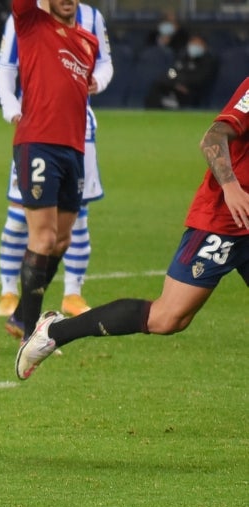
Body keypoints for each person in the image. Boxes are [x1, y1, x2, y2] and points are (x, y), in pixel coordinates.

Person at [16, 77, 249, 380]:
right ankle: (55, 331)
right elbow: (212, 138)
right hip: (225, 221)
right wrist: (230, 186)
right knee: (168, 318)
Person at [0, 2, 113, 330]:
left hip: (75, 148)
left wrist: (98, 81)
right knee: (42, 237)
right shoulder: (31, 23)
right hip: (38, 142)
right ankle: (30, 329)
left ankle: (21, 317)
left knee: (62, 239)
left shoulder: (88, 40)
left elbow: (98, 72)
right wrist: (10, 105)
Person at [144, 35, 218, 111]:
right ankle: (151, 110)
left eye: (198, 44)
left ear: (205, 46)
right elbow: (171, 71)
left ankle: (171, 105)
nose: (194, 46)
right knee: (157, 85)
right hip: (175, 86)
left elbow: (198, 79)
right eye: (193, 43)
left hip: (191, 92)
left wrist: (180, 80)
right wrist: (176, 83)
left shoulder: (208, 61)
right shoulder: (182, 58)